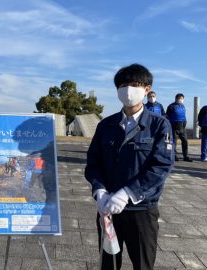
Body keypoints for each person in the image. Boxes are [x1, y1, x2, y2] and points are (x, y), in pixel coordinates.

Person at [85, 63, 174, 269]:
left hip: (141, 210)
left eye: (135, 84)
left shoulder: (159, 125)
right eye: (123, 85)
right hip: (108, 209)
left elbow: (160, 167)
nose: (128, 90)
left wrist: (127, 193)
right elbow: (93, 163)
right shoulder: (105, 125)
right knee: (108, 263)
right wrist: (99, 190)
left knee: (142, 264)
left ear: (147, 89)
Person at [166, 93, 193, 162]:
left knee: (185, 141)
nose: (181, 100)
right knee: (173, 142)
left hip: (182, 128)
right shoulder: (171, 106)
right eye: (179, 98)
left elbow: (184, 116)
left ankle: (185, 156)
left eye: (182, 99)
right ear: (176, 99)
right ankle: (174, 156)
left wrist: (185, 123)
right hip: (174, 128)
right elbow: (167, 117)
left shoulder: (183, 106)